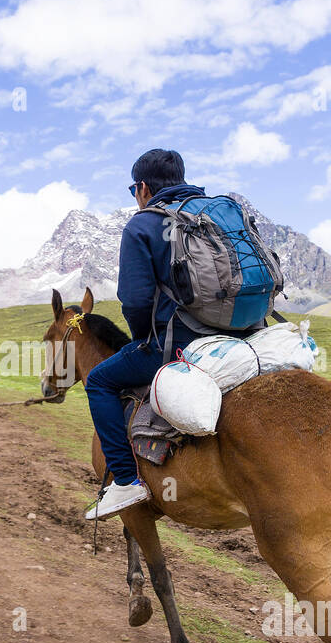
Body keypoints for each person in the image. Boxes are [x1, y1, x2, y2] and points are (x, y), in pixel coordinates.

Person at [84, 148, 240, 520]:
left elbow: (136, 300)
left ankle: (125, 482)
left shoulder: (143, 224)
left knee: (98, 381)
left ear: (141, 188)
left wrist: (145, 340)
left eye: (132, 190)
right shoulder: (218, 214)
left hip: (181, 345)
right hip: (243, 339)